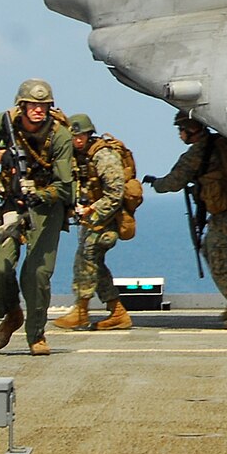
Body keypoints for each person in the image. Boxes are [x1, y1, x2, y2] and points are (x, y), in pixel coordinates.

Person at [0, 78, 75, 356]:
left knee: (37, 274)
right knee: (0, 268)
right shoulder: (5, 122)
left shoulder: (60, 135)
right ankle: (11, 314)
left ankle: (36, 335)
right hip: (10, 202)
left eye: (43, 106)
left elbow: (65, 185)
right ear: (22, 105)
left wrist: (40, 195)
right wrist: (1, 157)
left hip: (46, 204)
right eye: (33, 105)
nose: (38, 110)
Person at [145, 111, 227, 329]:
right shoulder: (220, 144)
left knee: (219, 262)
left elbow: (174, 182)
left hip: (226, 214)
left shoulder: (198, 153)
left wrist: (156, 183)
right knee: (213, 253)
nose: (180, 135)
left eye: (181, 130)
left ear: (191, 130)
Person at [53, 114, 137, 332]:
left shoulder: (103, 156)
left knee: (87, 256)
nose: (78, 140)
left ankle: (81, 310)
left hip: (109, 220)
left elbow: (115, 194)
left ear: (89, 134)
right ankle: (117, 311)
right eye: (74, 136)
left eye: (81, 135)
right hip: (93, 220)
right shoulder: (79, 156)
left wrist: (92, 210)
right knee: (94, 263)